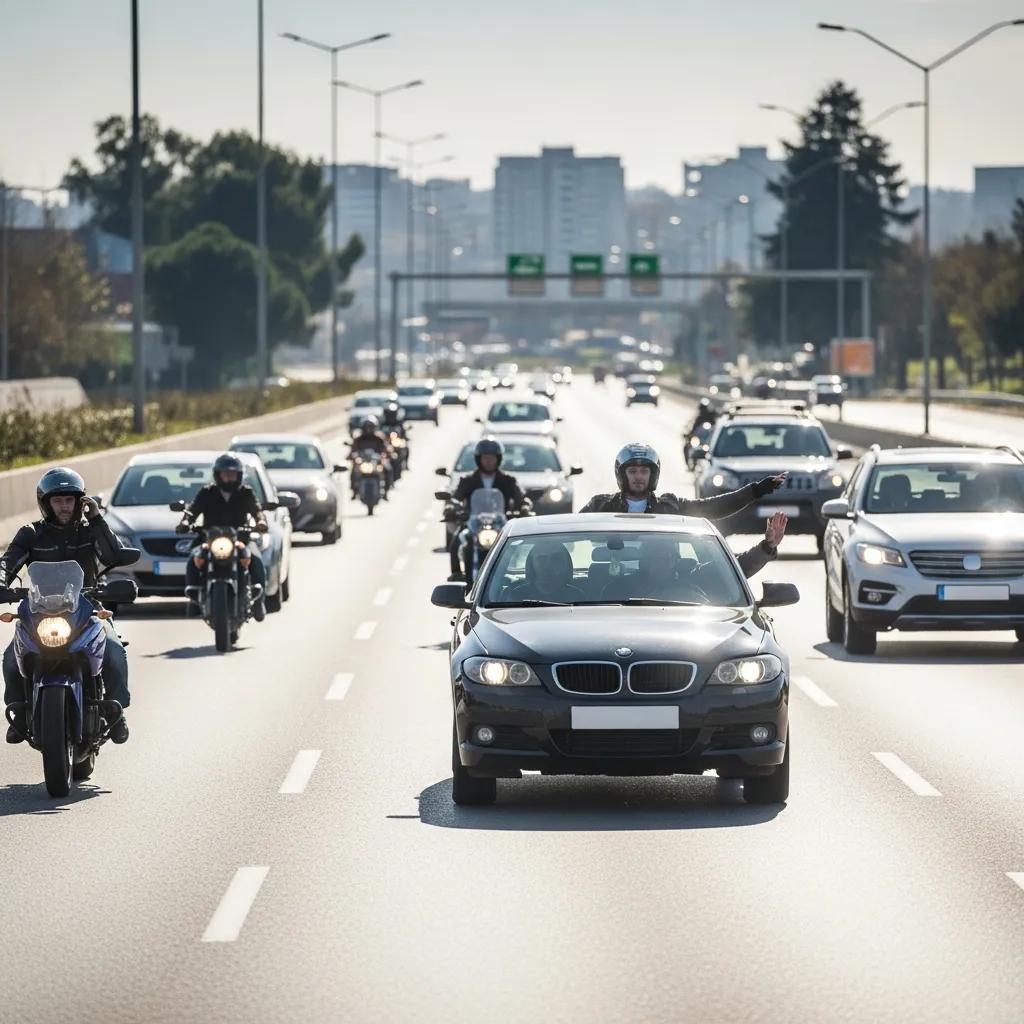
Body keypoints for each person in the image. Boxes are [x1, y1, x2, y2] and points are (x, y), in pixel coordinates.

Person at [1, 468, 131, 744]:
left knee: (115, 650)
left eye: (69, 500)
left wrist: (96, 519)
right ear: (46, 503)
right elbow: (6, 563)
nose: (63, 506)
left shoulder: (90, 531)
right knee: (11, 658)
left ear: (80, 503)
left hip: (87, 609)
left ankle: (116, 713)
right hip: (38, 611)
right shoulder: (31, 534)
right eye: (57, 500)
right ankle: (21, 714)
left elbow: (115, 554)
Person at [580, 443, 787, 577]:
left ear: (653, 475)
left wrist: (757, 490)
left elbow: (713, 507)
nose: (638, 477)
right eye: (632, 471)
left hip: (667, 588)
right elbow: (557, 535)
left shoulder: (670, 506)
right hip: (610, 584)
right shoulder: (600, 506)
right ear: (621, 474)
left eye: (644, 471)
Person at [176, 453, 268, 621]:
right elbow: (193, 510)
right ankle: (194, 597)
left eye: (232, 474)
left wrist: (261, 522)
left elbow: (257, 510)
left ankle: (259, 601)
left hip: (240, 539)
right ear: (218, 475)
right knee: (193, 559)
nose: (229, 478)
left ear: (239, 475)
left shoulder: (246, 493)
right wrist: (185, 522)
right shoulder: (207, 492)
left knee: (256, 559)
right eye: (225, 474)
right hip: (209, 539)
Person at [447, 438, 530, 581]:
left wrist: (524, 507)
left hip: (500, 524)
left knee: (519, 544)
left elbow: (521, 497)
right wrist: (451, 506)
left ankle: (519, 573)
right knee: (458, 540)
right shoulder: (467, 480)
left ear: (498, 459)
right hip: (474, 523)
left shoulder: (508, 480)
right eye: (485, 458)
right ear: (478, 459)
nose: (488, 462)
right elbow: (456, 496)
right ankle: (456, 574)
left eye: (491, 458)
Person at [500, 541, 585, 604]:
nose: (548, 565)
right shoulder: (517, 596)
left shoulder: (576, 596)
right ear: (531, 563)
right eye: (541, 559)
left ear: (565, 564)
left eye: (555, 559)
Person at [349, 416, 393, 498]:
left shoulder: (379, 437)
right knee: (354, 471)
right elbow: (353, 450)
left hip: (376, 461)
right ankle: (354, 491)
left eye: (371, 427)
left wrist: (386, 454)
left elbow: (386, 448)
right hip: (363, 461)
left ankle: (386, 491)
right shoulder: (359, 438)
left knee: (388, 469)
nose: (369, 429)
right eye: (367, 427)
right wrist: (353, 456)